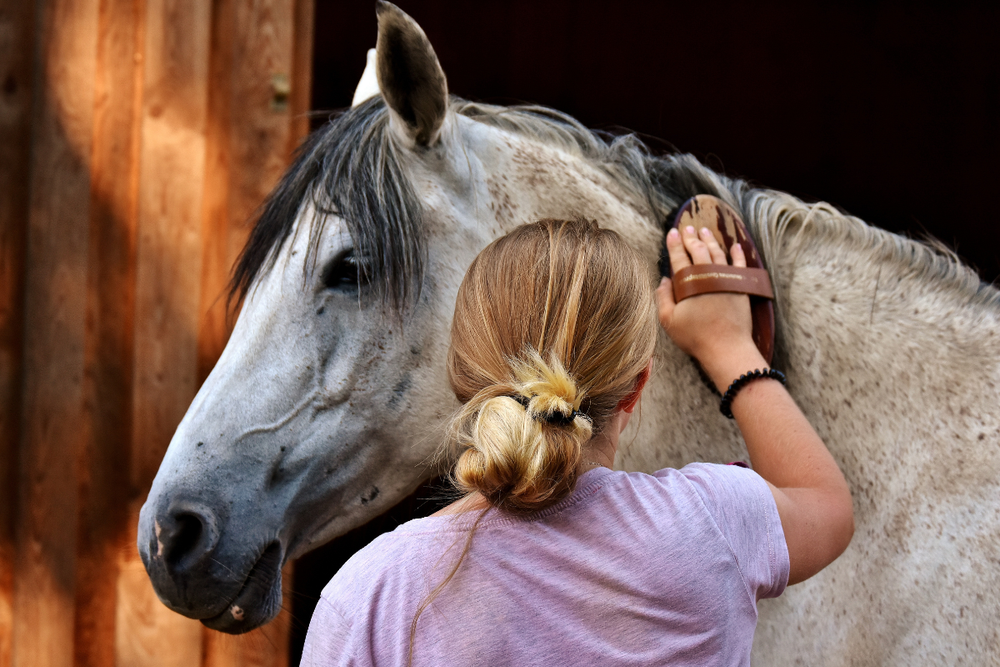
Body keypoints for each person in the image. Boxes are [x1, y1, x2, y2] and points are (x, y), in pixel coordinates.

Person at [301, 215, 854, 666]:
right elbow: (825, 505)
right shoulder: (711, 522)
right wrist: (729, 346)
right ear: (637, 386)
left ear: (462, 380)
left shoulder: (371, 599)